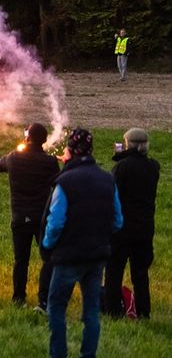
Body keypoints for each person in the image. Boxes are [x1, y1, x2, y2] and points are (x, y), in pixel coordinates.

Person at [42, 128, 123, 358]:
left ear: (70, 150)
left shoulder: (65, 182)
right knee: (91, 311)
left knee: (57, 307)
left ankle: (58, 354)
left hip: (68, 257)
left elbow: (55, 222)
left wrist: (48, 245)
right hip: (97, 256)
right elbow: (117, 220)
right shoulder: (108, 179)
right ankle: (89, 354)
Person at [0, 123, 60, 312]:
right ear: (44, 140)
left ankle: (19, 298)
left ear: (27, 138)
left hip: (19, 217)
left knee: (21, 260)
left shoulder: (13, 158)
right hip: (42, 218)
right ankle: (44, 299)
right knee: (48, 258)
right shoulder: (49, 162)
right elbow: (57, 182)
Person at [103, 128, 160, 319]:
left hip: (122, 229)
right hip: (144, 228)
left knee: (114, 270)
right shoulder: (153, 167)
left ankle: (113, 310)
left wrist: (119, 159)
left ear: (127, 144)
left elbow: (113, 191)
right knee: (141, 273)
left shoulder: (122, 167)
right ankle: (144, 311)